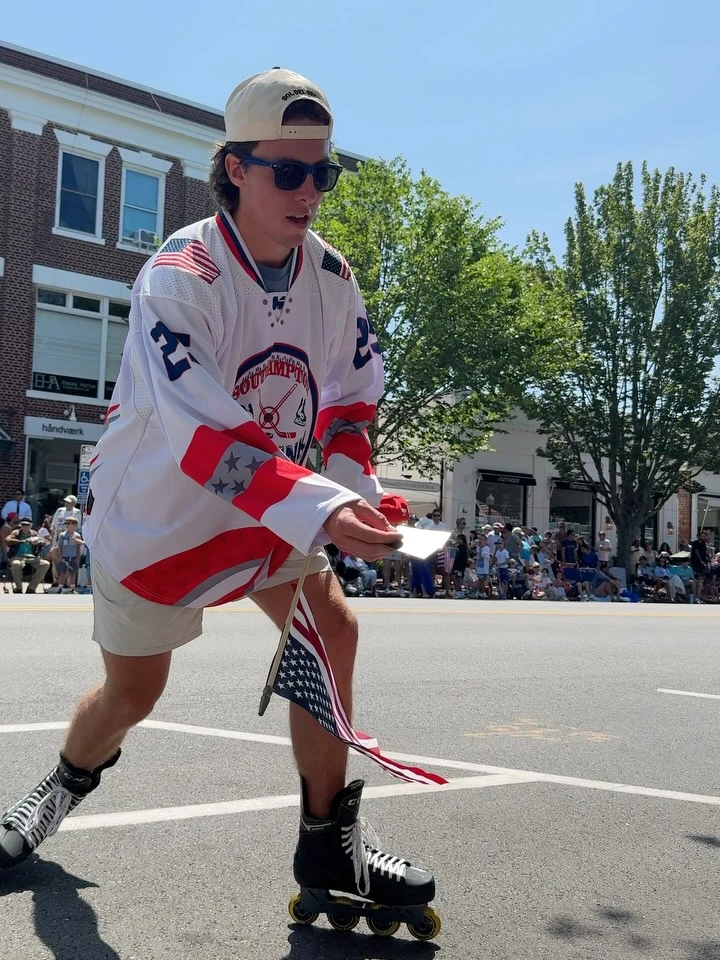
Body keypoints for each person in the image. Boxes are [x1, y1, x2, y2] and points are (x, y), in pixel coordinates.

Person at [0, 67, 436, 916]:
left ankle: (325, 846)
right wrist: (321, 505)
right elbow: (206, 440)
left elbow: (350, 399)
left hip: (272, 504)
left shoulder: (332, 276)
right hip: (161, 519)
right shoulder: (179, 275)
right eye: (289, 171)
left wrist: (352, 491)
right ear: (236, 167)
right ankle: (61, 784)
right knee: (135, 693)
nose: (311, 191)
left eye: (324, 173)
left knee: (331, 629)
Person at [5, 518, 50, 594]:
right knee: (16, 564)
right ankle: (19, 588)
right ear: (20, 525)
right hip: (18, 556)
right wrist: (20, 541)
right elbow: (7, 540)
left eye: (27, 525)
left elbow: (43, 541)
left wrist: (37, 542)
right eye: (23, 524)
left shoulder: (34, 533)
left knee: (46, 564)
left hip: (32, 557)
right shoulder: (15, 533)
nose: (25, 526)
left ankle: (31, 588)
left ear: (30, 526)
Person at [53, 518, 85, 594]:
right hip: (64, 556)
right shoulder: (62, 535)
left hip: (73, 556)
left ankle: (72, 588)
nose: (67, 525)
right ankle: (60, 587)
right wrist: (60, 556)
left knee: (72, 573)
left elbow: (78, 547)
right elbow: (59, 546)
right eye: (66, 523)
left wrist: (78, 557)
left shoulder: (77, 536)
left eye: (69, 523)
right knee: (62, 573)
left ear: (74, 525)